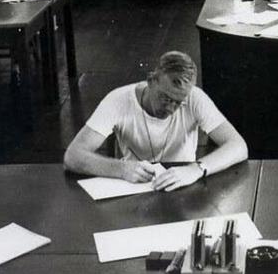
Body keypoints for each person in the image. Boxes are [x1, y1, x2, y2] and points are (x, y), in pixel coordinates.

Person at [64, 51, 248, 191]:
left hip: (181, 184)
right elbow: (73, 156)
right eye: (165, 98)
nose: (170, 108)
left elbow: (238, 146)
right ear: (151, 81)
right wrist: (121, 169)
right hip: (133, 187)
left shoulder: (195, 98)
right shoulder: (118, 99)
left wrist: (197, 169)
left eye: (178, 103)